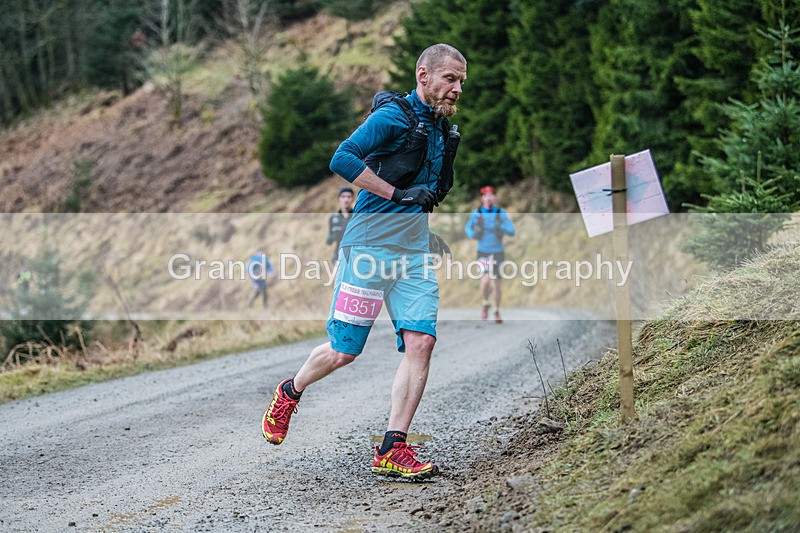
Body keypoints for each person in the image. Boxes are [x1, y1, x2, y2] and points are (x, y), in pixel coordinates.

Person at [261, 43, 467, 480]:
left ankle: (393, 447)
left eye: (462, 82)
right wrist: (396, 195)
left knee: (422, 342)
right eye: (450, 78)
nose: (456, 89)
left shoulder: (446, 134)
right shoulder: (394, 117)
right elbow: (342, 158)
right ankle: (290, 391)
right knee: (343, 352)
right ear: (423, 75)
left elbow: (425, 192)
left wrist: (423, 230)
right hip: (369, 248)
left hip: (412, 253)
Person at [465, 185, 515, 323]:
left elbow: (512, 231)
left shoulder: (500, 213)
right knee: (486, 280)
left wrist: (500, 227)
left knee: (496, 284)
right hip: (483, 252)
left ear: (495, 197)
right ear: (482, 198)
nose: (488, 198)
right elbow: (468, 230)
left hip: (498, 252)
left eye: (491, 195)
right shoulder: (477, 214)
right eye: (485, 195)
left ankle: (497, 311)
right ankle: (485, 303)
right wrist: (474, 233)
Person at [326, 187, 355, 263]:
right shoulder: (333, 218)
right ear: (339, 199)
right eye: (343, 197)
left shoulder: (357, 216)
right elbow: (330, 237)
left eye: (349, 197)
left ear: (352, 199)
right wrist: (331, 238)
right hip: (338, 256)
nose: (346, 200)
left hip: (355, 256)